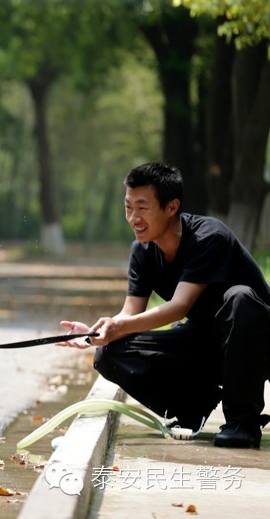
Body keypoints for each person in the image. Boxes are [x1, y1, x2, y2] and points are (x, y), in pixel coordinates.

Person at [58, 162, 270, 448]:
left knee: (240, 298)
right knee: (109, 353)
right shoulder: (142, 251)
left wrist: (118, 326)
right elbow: (129, 314)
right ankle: (193, 405)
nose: (133, 218)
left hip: (255, 346)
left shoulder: (209, 237)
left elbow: (179, 306)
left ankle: (242, 422)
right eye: (128, 207)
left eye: (142, 208)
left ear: (172, 207)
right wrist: (95, 333)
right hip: (207, 344)